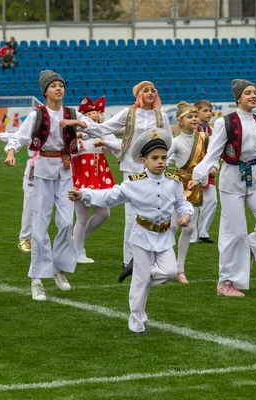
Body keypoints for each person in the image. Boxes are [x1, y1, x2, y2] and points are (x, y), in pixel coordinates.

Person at [68, 127, 193, 334]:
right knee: (141, 283)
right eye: (155, 158)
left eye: (163, 157)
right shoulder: (133, 184)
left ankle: (136, 271)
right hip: (142, 236)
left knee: (170, 272)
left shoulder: (174, 182)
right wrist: (83, 194)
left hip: (164, 236)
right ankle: (136, 323)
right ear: (144, 161)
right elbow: (109, 197)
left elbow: (182, 203)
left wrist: (186, 213)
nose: (161, 162)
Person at [189, 79, 256, 297]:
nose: (253, 96)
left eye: (254, 92)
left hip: (255, 179)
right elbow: (212, 154)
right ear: (238, 98)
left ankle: (251, 249)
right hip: (232, 180)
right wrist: (198, 177)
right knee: (233, 234)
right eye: (247, 93)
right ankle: (225, 282)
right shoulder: (225, 123)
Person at [4, 70, 96, 300]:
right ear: (45, 91)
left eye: (61, 85)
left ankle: (59, 268)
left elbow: (95, 127)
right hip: (43, 168)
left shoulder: (71, 113)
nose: (59, 89)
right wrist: (11, 151)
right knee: (40, 224)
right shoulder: (38, 114)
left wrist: (78, 122)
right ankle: (37, 279)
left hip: (65, 169)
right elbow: (20, 136)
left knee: (66, 222)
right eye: (54, 85)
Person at [81, 81, 172, 279]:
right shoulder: (128, 113)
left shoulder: (161, 115)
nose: (150, 93)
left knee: (155, 213)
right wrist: (81, 125)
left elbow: (168, 141)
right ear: (138, 94)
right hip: (132, 168)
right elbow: (104, 128)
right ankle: (129, 259)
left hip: (154, 171)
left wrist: (167, 164)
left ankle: (152, 258)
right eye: (145, 90)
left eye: (152, 90)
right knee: (132, 217)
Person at [72, 96, 120, 264]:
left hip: (100, 175)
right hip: (81, 175)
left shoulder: (104, 131)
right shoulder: (77, 133)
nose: (95, 116)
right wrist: (79, 138)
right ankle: (77, 251)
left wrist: (105, 143)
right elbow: (70, 151)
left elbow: (114, 149)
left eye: (97, 113)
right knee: (82, 217)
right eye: (91, 114)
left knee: (104, 213)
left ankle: (76, 242)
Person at [167, 102, 207, 284]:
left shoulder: (204, 138)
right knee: (173, 227)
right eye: (190, 116)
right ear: (180, 121)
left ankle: (179, 269)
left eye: (196, 116)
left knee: (189, 228)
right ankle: (163, 263)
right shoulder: (175, 142)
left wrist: (213, 167)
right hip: (178, 187)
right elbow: (164, 158)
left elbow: (211, 158)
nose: (195, 119)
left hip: (195, 186)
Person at [0, 132, 35, 253]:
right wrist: (0, 136)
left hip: (58, 168)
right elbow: (19, 135)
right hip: (35, 168)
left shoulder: (61, 120)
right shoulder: (36, 119)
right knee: (30, 203)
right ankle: (25, 237)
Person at [191, 99, 217, 244]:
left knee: (212, 201)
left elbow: (215, 152)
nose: (209, 114)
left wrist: (215, 166)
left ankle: (203, 231)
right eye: (205, 111)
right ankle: (192, 234)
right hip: (193, 171)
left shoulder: (211, 130)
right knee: (194, 203)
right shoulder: (193, 130)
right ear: (197, 112)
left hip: (208, 172)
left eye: (210, 111)